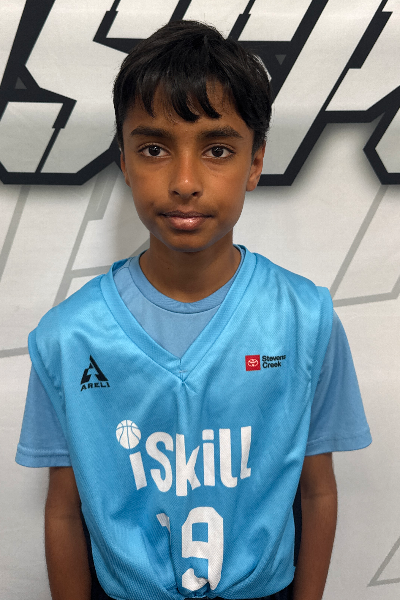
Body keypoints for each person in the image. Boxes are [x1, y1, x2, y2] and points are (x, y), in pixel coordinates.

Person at [16, 20, 372, 600]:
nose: (184, 181)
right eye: (154, 149)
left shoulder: (305, 319)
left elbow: (316, 492)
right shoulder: (69, 336)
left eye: (217, 150)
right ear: (124, 161)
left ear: (255, 163)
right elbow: (63, 509)